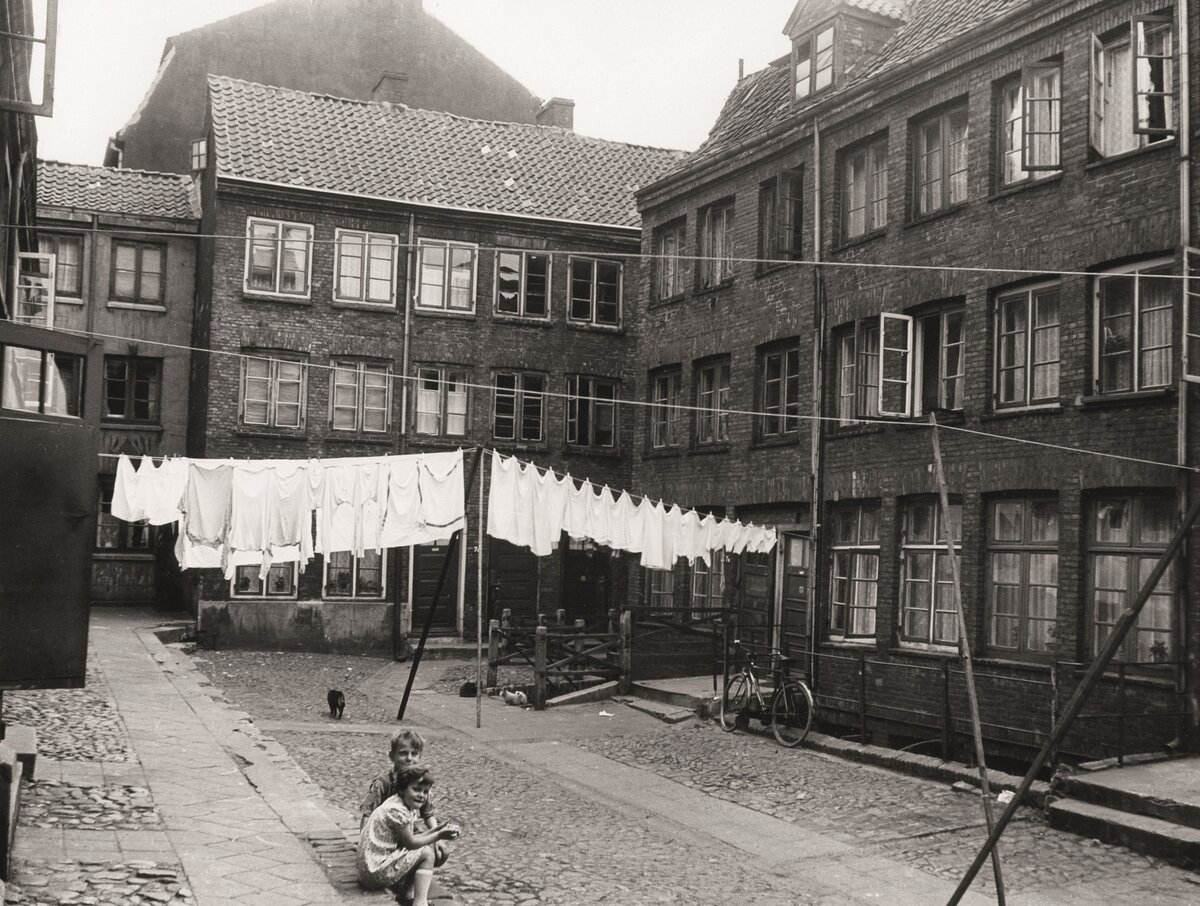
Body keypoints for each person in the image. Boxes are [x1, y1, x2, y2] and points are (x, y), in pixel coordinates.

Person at [357, 765, 461, 906]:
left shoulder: (401, 803)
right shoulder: (397, 810)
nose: (421, 795)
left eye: (425, 792)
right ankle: (419, 903)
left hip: (372, 867)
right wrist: (438, 836)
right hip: (374, 871)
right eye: (416, 790)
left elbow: (412, 841)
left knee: (418, 853)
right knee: (426, 854)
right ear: (401, 789)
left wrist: (439, 830)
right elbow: (411, 843)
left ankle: (407, 896)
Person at [360, 728, 449, 866]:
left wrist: (438, 839)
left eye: (414, 754)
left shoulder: (420, 781)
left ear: (419, 756)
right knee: (423, 852)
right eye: (403, 753)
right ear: (392, 756)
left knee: (440, 853)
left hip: (408, 833)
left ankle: (412, 875)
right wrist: (363, 845)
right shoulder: (383, 782)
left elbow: (428, 813)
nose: (409, 758)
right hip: (386, 836)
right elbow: (367, 813)